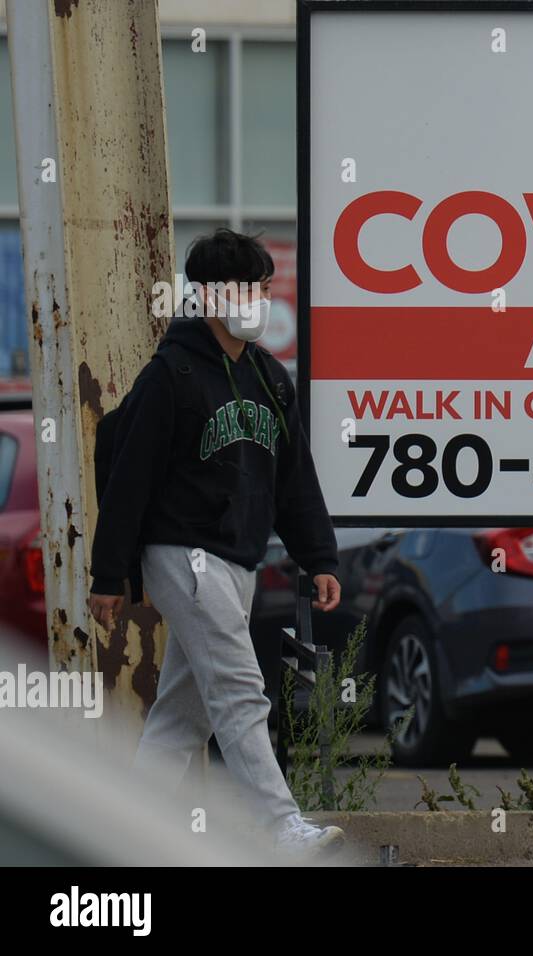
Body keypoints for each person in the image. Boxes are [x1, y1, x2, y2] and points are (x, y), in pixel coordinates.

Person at [88, 228, 344, 856]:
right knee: (237, 687)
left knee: (184, 711)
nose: (256, 297)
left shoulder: (270, 379)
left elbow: (294, 478)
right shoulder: (169, 376)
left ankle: (118, 829)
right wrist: (108, 574)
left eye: (261, 285)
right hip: (182, 553)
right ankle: (280, 827)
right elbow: (130, 477)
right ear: (205, 296)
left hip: (238, 560)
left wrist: (319, 558)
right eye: (244, 286)